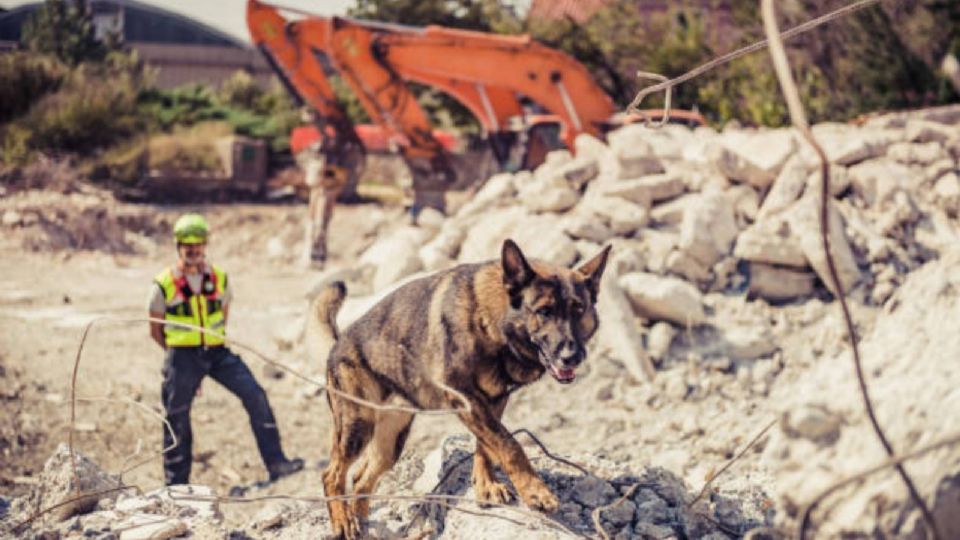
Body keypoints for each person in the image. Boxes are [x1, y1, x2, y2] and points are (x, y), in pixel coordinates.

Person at [148, 213, 303, 485]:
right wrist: (179, 365)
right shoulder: (163, 284)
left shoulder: (219, 279)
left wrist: (212, 345)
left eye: (198, 244)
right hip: (182, 356)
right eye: (188, 244)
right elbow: (155, 329)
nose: (193, 250)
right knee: (177, 415)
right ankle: (176, 485)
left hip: (218, 353)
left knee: (255, 395)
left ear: (205, 245)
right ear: (178, 245)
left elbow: (223, 315)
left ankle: (277, 463)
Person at [290, 109, 349, 266]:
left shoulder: (328, 176)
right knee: (316, 227)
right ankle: (316, 256)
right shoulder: (322, 182)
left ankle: (317, 257)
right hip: (320, 196)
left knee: (319, 228)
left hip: (323, 199)